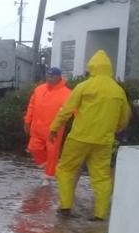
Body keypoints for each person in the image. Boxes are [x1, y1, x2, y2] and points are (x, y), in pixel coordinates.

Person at [50, 50, 131, 220]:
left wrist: (54, 129)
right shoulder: (118, 90)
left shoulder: (84, 87)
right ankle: (100, 214)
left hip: (79, 138)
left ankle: (65, 206)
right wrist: (115, 129)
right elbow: (125, 117)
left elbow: (66, 110)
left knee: (65, 170)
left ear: (92, 68)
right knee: (101, 177)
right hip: (104, 141)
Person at [24, 67, 72, 183]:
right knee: (33, 148)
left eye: (52, 76)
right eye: (48, 76)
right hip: (37, 128)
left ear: (59, 77)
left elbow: (73, 110)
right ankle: (48, 168)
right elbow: (32, 106)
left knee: (52, 154)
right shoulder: (39, 89)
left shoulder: (68, 93)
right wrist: (27, 121)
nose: (49, 78)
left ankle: (49, 178)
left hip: (54, 130)